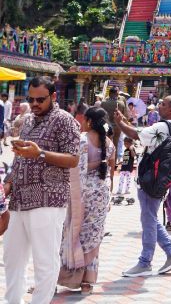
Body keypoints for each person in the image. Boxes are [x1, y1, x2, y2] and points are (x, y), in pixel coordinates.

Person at [2, 77, 80, 304]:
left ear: (53, 96)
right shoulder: (28, 121)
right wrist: (8, 183)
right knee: (12, 258)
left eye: (40, 100)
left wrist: (40, 154)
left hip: (48, 198)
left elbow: (73, 159)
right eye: (31, 99)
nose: (35, 104)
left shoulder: (64, 120)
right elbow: (20, 159)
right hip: (19, 199)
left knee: (44, 261)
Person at [115, 96, 171, 277]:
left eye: (163, 104)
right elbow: (143, 134)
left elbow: (136, 135)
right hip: (158, 180)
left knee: (148, 220)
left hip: (150, 181)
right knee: (150, 218)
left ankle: (145, 262)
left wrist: (120, 123)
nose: (159, 106)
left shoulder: (162, 127)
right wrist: (125, 122)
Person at [58, 106, 115, 295]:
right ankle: (87, 282)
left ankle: (70, 277)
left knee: (75, 234)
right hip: (101, 194)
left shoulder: (82, 140)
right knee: (93, 237)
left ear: (89, 121)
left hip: (82, 195)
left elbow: (76, 169)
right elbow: (110, 169)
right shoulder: (109, 142)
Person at [100, 86, 127, 163]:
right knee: (115, 145)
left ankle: (104, 161)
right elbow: (124, 115)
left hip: (106, 126)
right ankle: (113, 163)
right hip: (117, 126)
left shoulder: (103, 103)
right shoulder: (121, 103)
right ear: (116, 94)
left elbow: (101, 115)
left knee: (105, 144)